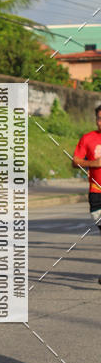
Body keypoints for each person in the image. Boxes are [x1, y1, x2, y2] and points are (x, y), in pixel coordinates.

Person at [72, 104, 101, 282]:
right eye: (99, 118)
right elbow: (75, 161)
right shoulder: (88, 138)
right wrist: (94, 164)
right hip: (96, 193)